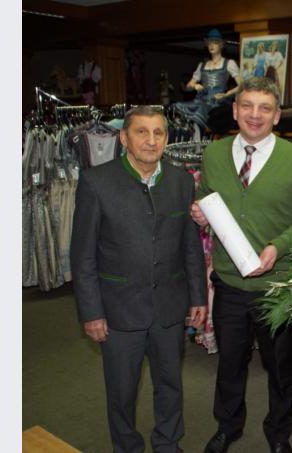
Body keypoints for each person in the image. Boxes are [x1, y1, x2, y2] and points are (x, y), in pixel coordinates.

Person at [190, 77, 292, 453]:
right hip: (230, 283)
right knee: (229, 364)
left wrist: (278, 247)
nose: (255, 114)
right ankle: (228, 427)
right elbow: (205, 199)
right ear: (235, 110)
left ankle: (279, 433)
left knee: (280, 367)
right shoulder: (214, 155)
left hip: (277, 288)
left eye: (265, 107)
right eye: (247, 105)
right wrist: (200, 213)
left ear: (277, 115)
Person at [70, 106, 207, 453]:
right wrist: (91, 312)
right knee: (121, 391)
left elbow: (190, 246)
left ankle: (168, 443)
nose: (151, 140)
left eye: (158, 132)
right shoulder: (96, 182)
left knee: (170, 384)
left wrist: (198, 299)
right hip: (118, 311)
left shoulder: (180, 180)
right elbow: (82, 255)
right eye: (142, 132)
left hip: (170, 308)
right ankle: (127, 447)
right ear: (124, 138)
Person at [175, 28, 241, 130]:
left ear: (221, 45)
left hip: (218, 102)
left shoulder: (229, 63)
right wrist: (194, 85)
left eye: (215, 43)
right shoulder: (202, 65)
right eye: (209, 43)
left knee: (201, 111)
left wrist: (226, 94)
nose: (211, 45)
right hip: (202, 99)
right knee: (178, 106)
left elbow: (242, 85)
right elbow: (188, 86)